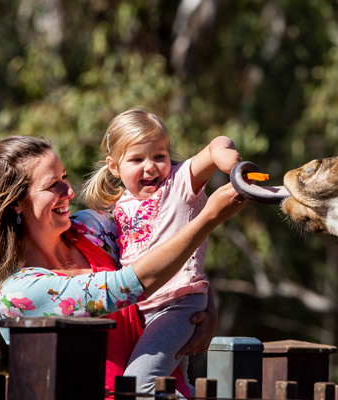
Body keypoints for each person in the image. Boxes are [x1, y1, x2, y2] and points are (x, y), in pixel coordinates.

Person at [0, 135, 246, 398]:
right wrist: (208, 218)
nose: (69, 191)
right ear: (15, 205)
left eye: (65, 177)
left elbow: (159, 245)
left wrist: (202, 300)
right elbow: (123, 286)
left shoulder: (94, 227)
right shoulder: (17, 294)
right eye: (52, 185)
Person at [80, 106, 242, 396]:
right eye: (136, 159)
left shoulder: (179, 185)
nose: (150, 166)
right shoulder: (118, 208)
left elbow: (216, 145)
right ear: (114, 166)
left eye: (159, 156)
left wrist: (230, 162)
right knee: (172, 386)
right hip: (142, 312)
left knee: (139, 384)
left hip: (176, 307)